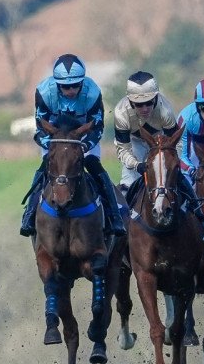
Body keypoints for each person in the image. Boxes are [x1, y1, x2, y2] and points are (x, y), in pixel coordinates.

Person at [21, 53, 126, 239]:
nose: (70, 90)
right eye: (65, 86)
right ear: (57, 84)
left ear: (82, 82)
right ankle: (29, 215)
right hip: (55, 139)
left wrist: (84, 146)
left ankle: (114, 216)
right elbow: (40, 126)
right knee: (46, 166)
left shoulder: (93, 92)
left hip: (83, 139)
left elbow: (97, 127)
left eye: (75, 85)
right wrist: (54, 146)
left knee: (94, 165)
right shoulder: (44, 92)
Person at [114, 71, 204, 241]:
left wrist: (172, 162)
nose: (144, 109)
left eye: (149, 103)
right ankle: (122, 232)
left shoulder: (165, 110)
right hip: (134, 143)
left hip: (162, 143)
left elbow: (177, 143)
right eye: (138, 104)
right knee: (128, 184)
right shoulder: (121, 113)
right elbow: (122, 149)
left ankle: (201, 221)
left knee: (179, 179)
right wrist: (137, 165)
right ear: (130, 101)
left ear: (156, 98)